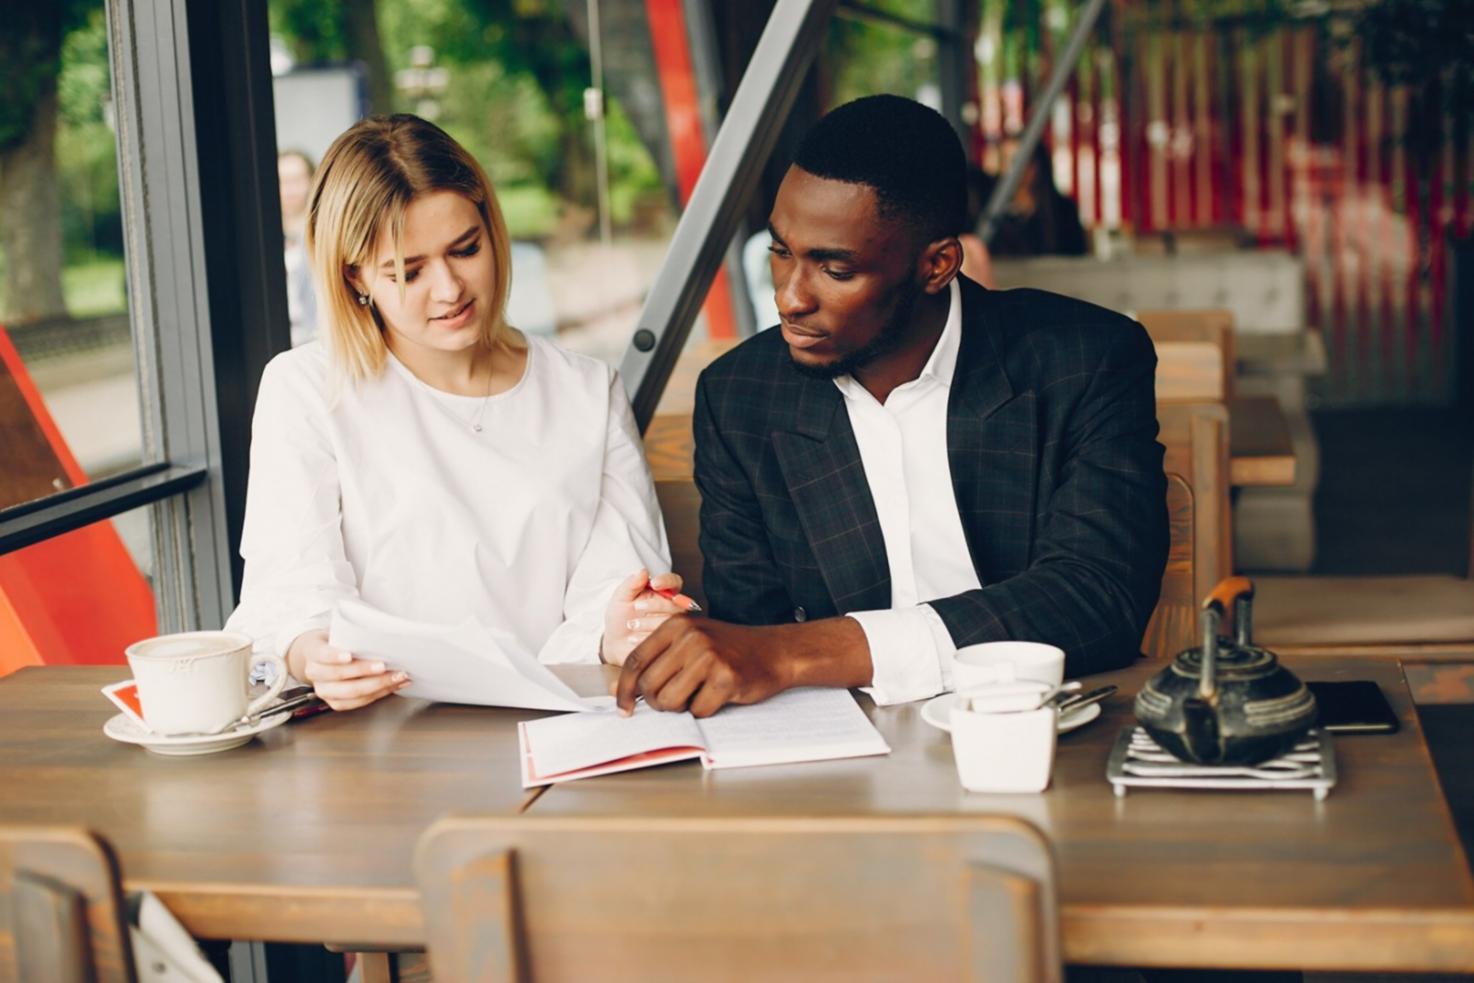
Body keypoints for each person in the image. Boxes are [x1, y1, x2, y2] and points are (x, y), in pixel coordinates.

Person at [615, 95, 1166, 717]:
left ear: (936, 265)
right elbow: (751, 632)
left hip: (1039, 729)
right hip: (836, 755)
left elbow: (1097, 596)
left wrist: (795, 654)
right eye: (781, 253)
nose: (790, 298)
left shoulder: (1083, 358)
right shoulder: (741, 397)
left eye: (835, 269)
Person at [227, 115, 687, 711]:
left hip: (560, 718)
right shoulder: (307, 389)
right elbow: (290, 587)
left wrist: (619, 626)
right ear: (354, 276)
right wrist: (311, 653)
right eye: (407, 271)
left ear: (492, 232)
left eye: (465, 250)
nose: (449, 289)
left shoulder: (585, 390)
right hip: (385, 732)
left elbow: (614, 588)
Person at [980, 138, 1089, 257]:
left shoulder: (1063, 210)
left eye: (1024, 161)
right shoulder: (987, 210)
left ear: (1037, 164)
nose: (1016, 170)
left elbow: (1077, 258)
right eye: (1007, 161)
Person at [278, 149, 321, 346]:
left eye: (297, 180)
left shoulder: (322, 234)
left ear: (312, 181)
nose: (290, 189)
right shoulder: (262, 239)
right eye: (283, 181)